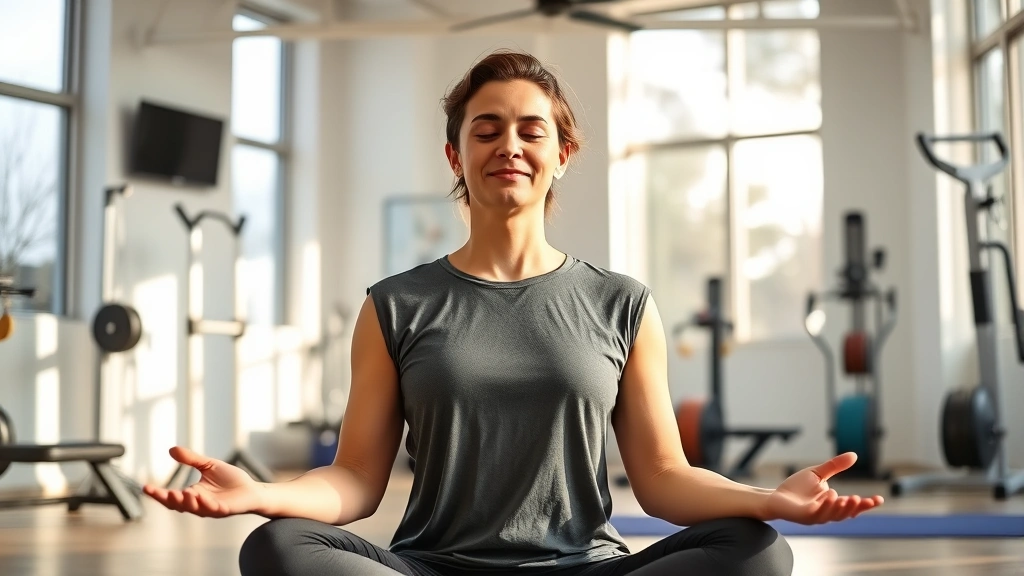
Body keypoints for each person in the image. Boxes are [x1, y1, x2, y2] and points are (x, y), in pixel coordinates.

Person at [144, 49, 884, 576]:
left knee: (758, 551)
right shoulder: (395, 305)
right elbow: (356, 479)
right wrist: (264, 494)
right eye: (486, 129)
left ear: (563, 153)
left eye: (532, 130)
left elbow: (662, 476)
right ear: (455, 155)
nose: (509, 146)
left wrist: (769, 499)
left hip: (584, 566)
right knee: (277, 548)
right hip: (434, 566)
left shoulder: (621, 303)